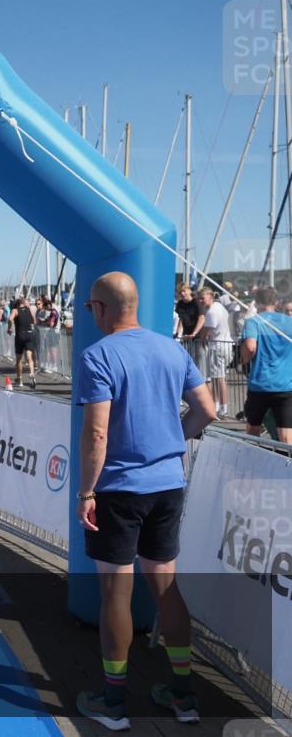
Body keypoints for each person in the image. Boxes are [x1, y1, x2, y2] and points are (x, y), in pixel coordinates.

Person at [74, 272, 217, 732]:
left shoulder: (98, 355)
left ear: (99, 308)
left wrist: (86, 491)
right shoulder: (171, 348)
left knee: (115, 592)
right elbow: (208, 410)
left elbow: (97, 433)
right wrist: (173, 441)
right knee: (166, 588)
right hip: (167, 485)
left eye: (89, 309)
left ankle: (114, 703)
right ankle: (184, 695)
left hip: (117, 489)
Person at [240, 286, 292, 444]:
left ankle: (251, 462)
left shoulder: (253, 322)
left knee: (253, 429)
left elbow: (250, 347)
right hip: (285, 385)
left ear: (257, 303)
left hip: (260, 384)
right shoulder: (289, 321)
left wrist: (244, 359)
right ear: (276, 302)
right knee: (286, 434)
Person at [197, 288, 233, 417]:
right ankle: (217, 405)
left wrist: (202, 340)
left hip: (217, 346)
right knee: (217, 377)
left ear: (211, 296)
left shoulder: (212, 311)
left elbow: (205, 332)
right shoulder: (219, 306)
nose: (200, 300)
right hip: (225, 344)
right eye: (199, 298)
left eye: (203, 298)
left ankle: (223, 408)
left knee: (218, 378)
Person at [7, 296, 37, 389]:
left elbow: (10, 319)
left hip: (20, 335)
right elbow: (34, 320)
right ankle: (31, 372)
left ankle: (19, 379)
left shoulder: (15, 310)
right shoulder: (29, 310)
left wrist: (10, 328)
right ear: (24, 303)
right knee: (29, 357)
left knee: (19, 359)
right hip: (29, 334)